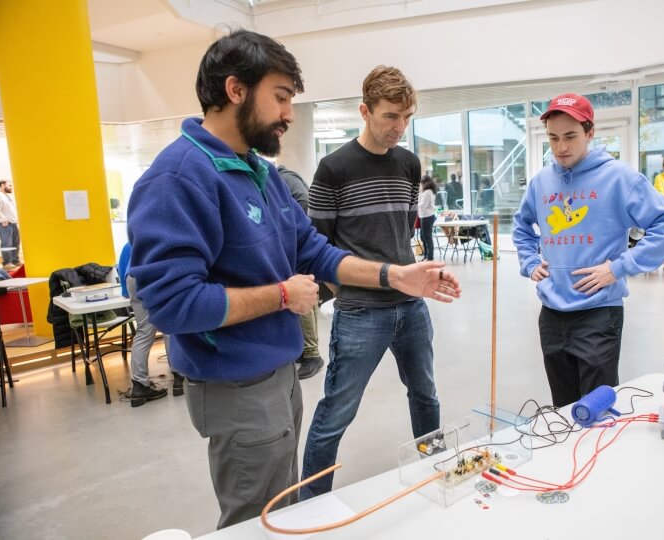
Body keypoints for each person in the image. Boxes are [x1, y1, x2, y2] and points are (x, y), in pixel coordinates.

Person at [126, 32, 460, 529]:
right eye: (281, 98)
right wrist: (283, 295)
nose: (289, 114)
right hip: (235, 384)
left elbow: (316, 251)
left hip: (277, 376)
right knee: (252, 520)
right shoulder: (178, 178)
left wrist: (398, 276)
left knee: (280, 510)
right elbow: (173, 304)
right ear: (236, 90)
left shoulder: (257, 172)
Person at [303, 65, 443, 499]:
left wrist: (418, 274)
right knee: (335, 413)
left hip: (411, 306)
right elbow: (316, 247)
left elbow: (403, 234)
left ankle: (436, 469)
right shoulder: (333, 168)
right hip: (360, 312)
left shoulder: (409, 163)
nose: (399, 127)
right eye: (389, 117)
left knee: (425, 395)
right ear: (365, 111)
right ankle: (309, 503)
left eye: (406, 117)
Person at [512, 93, 664, 408]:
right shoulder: (541, 182)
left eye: (570, 136)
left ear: (590, 133)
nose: (561, 147)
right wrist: (529, 261)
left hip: (598, 313)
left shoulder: (620, 178)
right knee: (564, 409)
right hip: (551, 314)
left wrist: (618, 268)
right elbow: (522, 227)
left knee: (596, 408)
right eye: (553, 138)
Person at [118, 243, 183, 406]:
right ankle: (179, 379)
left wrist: (127, 293)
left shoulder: (131, 241)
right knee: (169, 328)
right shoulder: (165, 233)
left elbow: (123, 266)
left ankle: (139, 387)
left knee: (143, 332)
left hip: (133, 278)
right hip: (156, 275)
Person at [277, 165, 325, 380]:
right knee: (308, 294)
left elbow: (305, 202)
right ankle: (308, 350)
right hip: (300, 242)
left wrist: (292, 234)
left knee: (300, 294)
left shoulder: (281, 180)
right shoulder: (286, 178)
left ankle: (312, 354)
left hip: (299, 244)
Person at [0, 179, 21, 269]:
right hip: (5, 223)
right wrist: (3, 219)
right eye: (10, 185)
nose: (12, 187)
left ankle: (15, 260)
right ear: (3, 185)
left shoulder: (6, 196)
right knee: (6, 243)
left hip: (13, 222)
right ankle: (6, 263)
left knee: (15, 242)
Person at [418, 175, 438, 261]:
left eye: (421, 183)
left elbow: (422, 206)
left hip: (427, 217)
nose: (421, 185)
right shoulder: (429, 192)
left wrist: (416, 204)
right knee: (423, 237)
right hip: (425, 216)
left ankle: (430, 257)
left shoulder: (427, 193)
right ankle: (426, 255)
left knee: (427, 237)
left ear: (424, 183)